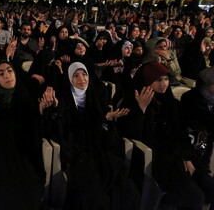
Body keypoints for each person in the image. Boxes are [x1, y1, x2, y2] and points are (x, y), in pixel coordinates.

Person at [44, 62, 137, 210]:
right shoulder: (62, 96)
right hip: (76, 147)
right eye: (76, 75)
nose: (81, 79)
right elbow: (61, 128)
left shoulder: (97, 93)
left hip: (98, 144)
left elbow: (101, 126)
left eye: (84, 74)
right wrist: (56, 109)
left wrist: (104, 118)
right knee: (93, 188)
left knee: (122, 180)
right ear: (69, 79)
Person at [0, 60, 56, 210]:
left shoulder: (25, 98)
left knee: (27, 191)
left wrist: (40, 110)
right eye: (1, 74)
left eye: (9, 71)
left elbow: (35, 133)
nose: (7, 76)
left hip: (21, 156)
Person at [118, 61, 208, 209]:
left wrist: (184, 155)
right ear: (147, 81)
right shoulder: (132, 101)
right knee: (195, 198)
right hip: (156, 157)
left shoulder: (168, 101)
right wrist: (141, 109)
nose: (164, 84)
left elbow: (178, 133)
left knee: (208, 187)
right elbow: (132, 137)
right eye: (158, 80)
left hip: (175, 152)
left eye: (166, 79)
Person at [180, 67, 214, 206]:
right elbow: (181, 131)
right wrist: (186, 157)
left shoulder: (210, 100)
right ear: (206, 85)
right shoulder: (191, 100)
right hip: (190, 155)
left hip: (203, 156)